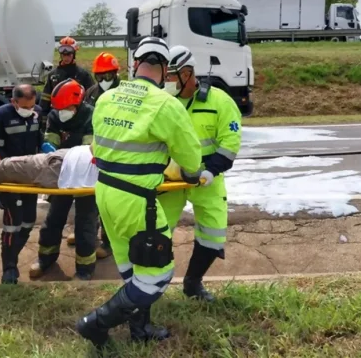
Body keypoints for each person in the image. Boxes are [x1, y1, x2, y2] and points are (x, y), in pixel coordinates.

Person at [75, 37, 206, 349]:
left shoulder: (106, 99)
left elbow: (97, 146)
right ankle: (95, 323)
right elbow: (191, 160)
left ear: (135, 65)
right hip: (137, 201)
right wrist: (189, 172)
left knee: (133, 267)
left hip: (105, 194)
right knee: (158, 274)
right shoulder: (165, 105)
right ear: (164, 68)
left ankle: (140, 328)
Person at [158, 45, 242, 302]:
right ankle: (153, 286)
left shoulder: (220, 102)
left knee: (213, 232)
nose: (166, 81)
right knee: (157, 231)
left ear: (187, 73)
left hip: (207, 177)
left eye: (170, 75)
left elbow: (230, 142)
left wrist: (211, 171)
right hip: (170, 179)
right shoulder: (163, 103)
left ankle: (193, 283)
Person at [29, 79, 97, 281]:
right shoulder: (54, 114)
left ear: (77, 104)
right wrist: (50, 147)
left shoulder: (91, 115)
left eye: (65, 108)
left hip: (86, 172)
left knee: (86, 222)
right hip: (62, 172)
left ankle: (85, 269)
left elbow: (88, 147)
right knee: (53, 218)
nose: (61, 112)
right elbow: (52, 137)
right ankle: (45, 258)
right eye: (58, 108)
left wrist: (66, 156)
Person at [0, 84, 42, 285]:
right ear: (13, 102)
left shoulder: (37, 112)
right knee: (13, 223)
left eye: (32, 106)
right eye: (25, 107)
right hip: (9, 177)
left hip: (31, 175)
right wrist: (5, 171)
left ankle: (12, 255)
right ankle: (9, 268)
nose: (30, 110)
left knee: (28, 221)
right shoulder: (0, 115)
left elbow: (39, 139)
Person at [73, 51, 122, 259]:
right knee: (91, 196)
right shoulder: (92, 92)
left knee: (111, 202)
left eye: (108, 76)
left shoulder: (125, 93)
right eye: (100, 77)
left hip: (118, 152)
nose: (103, 81)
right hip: (94, 149)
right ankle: (87, 233)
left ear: (116, 73)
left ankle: (109, 242)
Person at [38, 36, 94, 129]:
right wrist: (44, 119)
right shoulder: (53, 74)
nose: (66, 57)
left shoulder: (83, 74)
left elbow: (91, 96)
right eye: (64, 55)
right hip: (57, 115)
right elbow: (46, 97)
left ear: (74, 54)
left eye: (69, 55)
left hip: (78, 116)